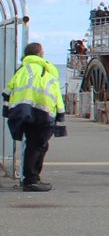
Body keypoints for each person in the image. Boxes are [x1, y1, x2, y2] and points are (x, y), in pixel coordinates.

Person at [3, 43, 66, 191]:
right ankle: (30, 181)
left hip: (23, 112)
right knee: (37, 145)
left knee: (36, 145)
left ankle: (33, 178)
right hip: (41, 112)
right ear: (40, 54)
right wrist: (60, 115)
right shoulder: (46, 70)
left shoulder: (21, 70)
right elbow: (56, 94)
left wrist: (7, 112)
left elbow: (7, 91)